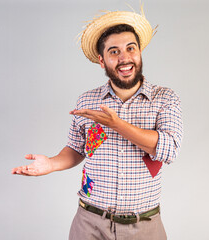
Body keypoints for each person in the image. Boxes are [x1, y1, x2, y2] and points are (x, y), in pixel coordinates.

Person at [12, 7, 183, 240]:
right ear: (102, 61)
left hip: (144, 226)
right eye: (114, 52)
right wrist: (51, 164)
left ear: (140, 52)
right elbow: (76, 149)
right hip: (89, 224)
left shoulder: (164, 98)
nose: (124, 58)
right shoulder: (87, 101)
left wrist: (116, 124)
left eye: (130, 48)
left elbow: (168, 148)